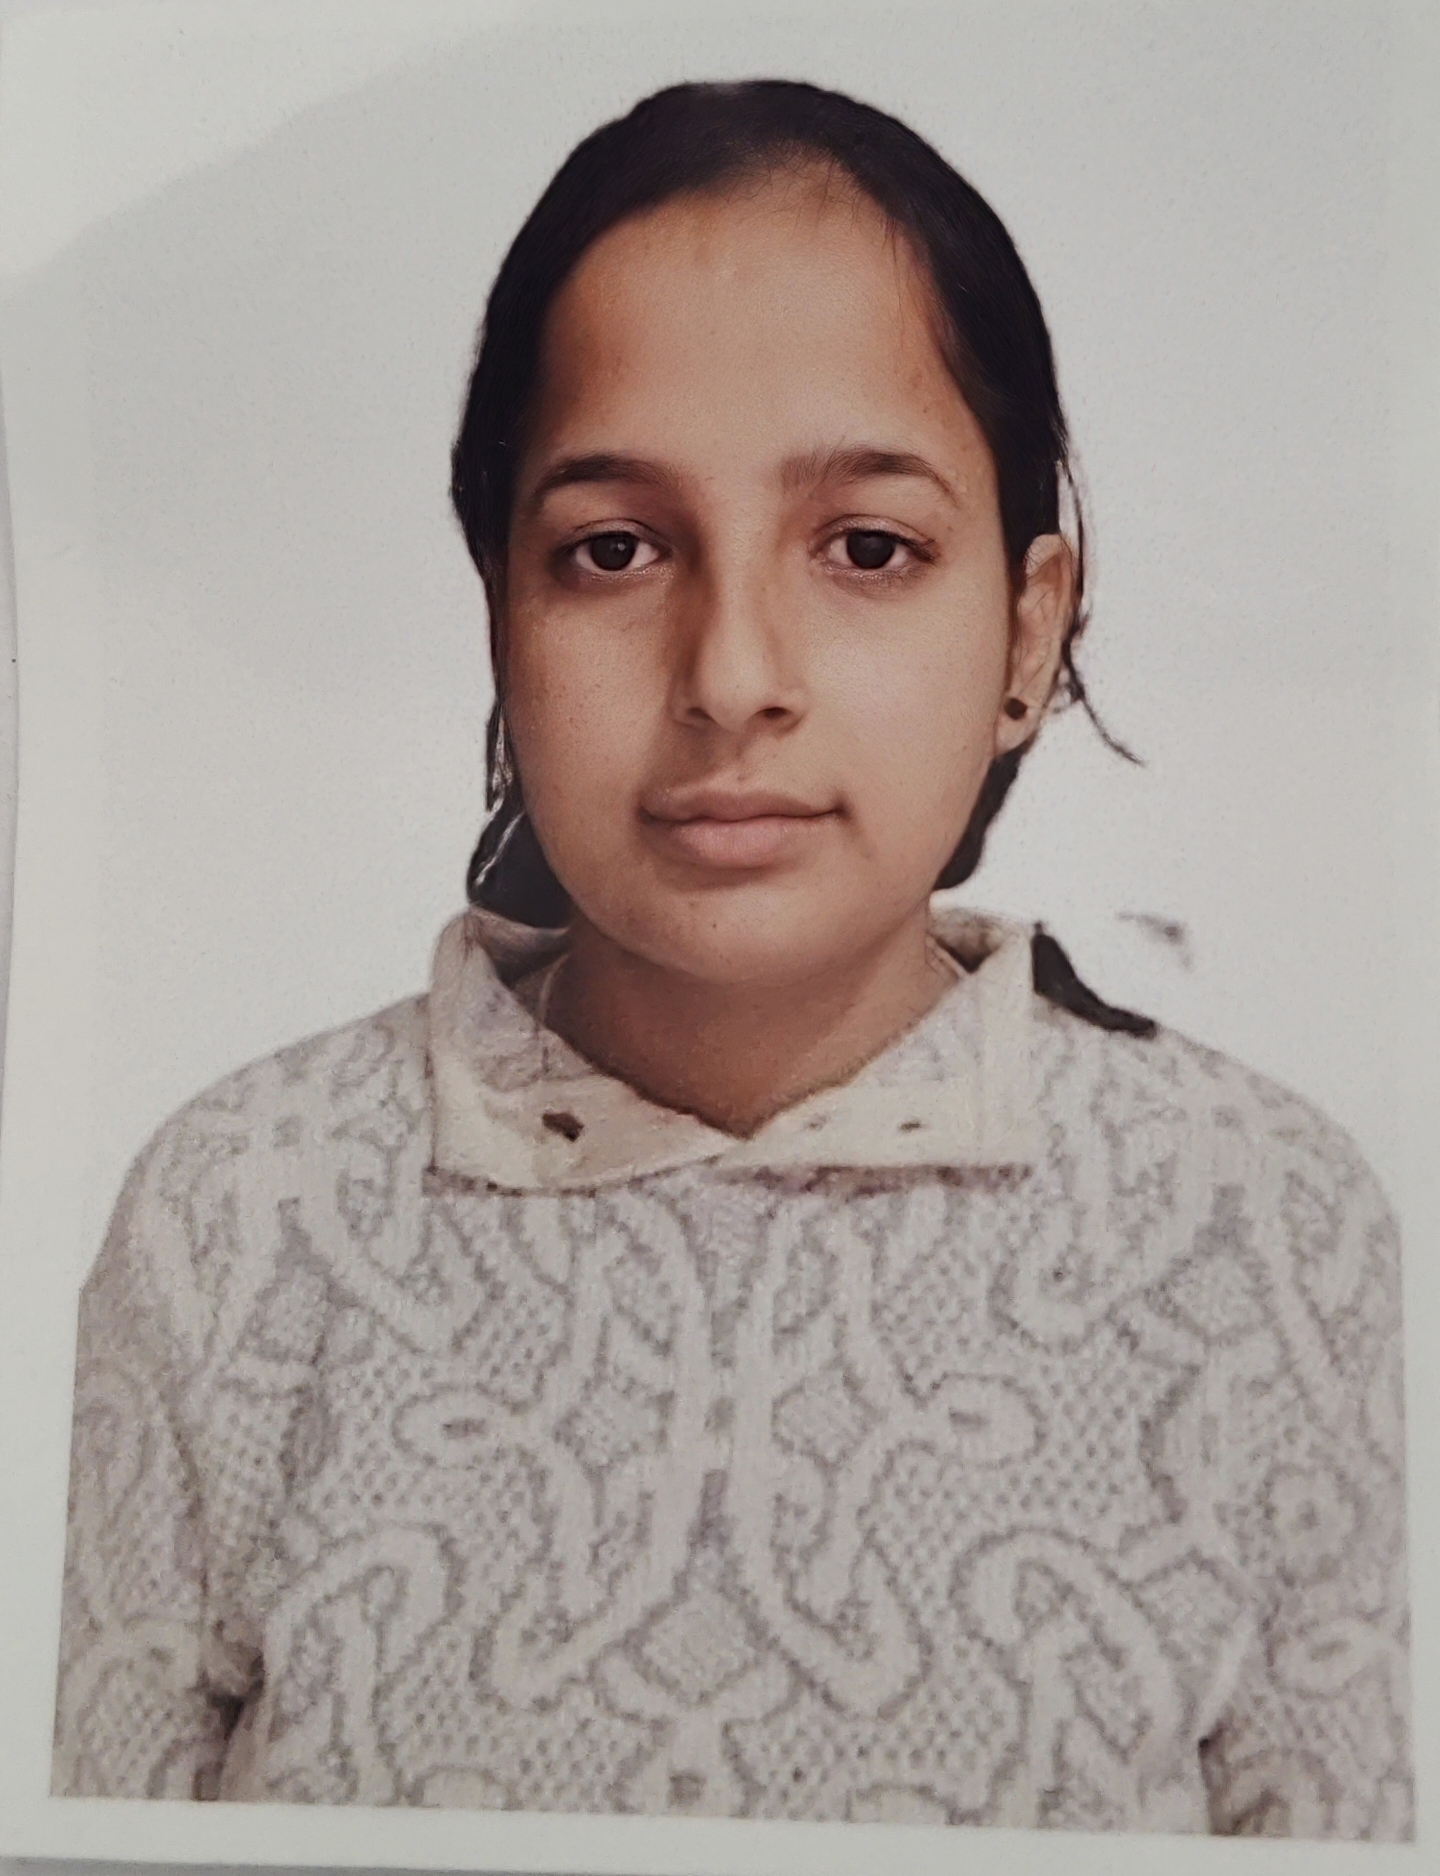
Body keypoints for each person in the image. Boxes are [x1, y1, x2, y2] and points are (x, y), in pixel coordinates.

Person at [51, 80, 1411, 1837]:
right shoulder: (237, 1226)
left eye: (869, 547)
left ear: (1028, 629)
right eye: (613, 549)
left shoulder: (1269, 1236)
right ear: (501, 609)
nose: (732, 675)